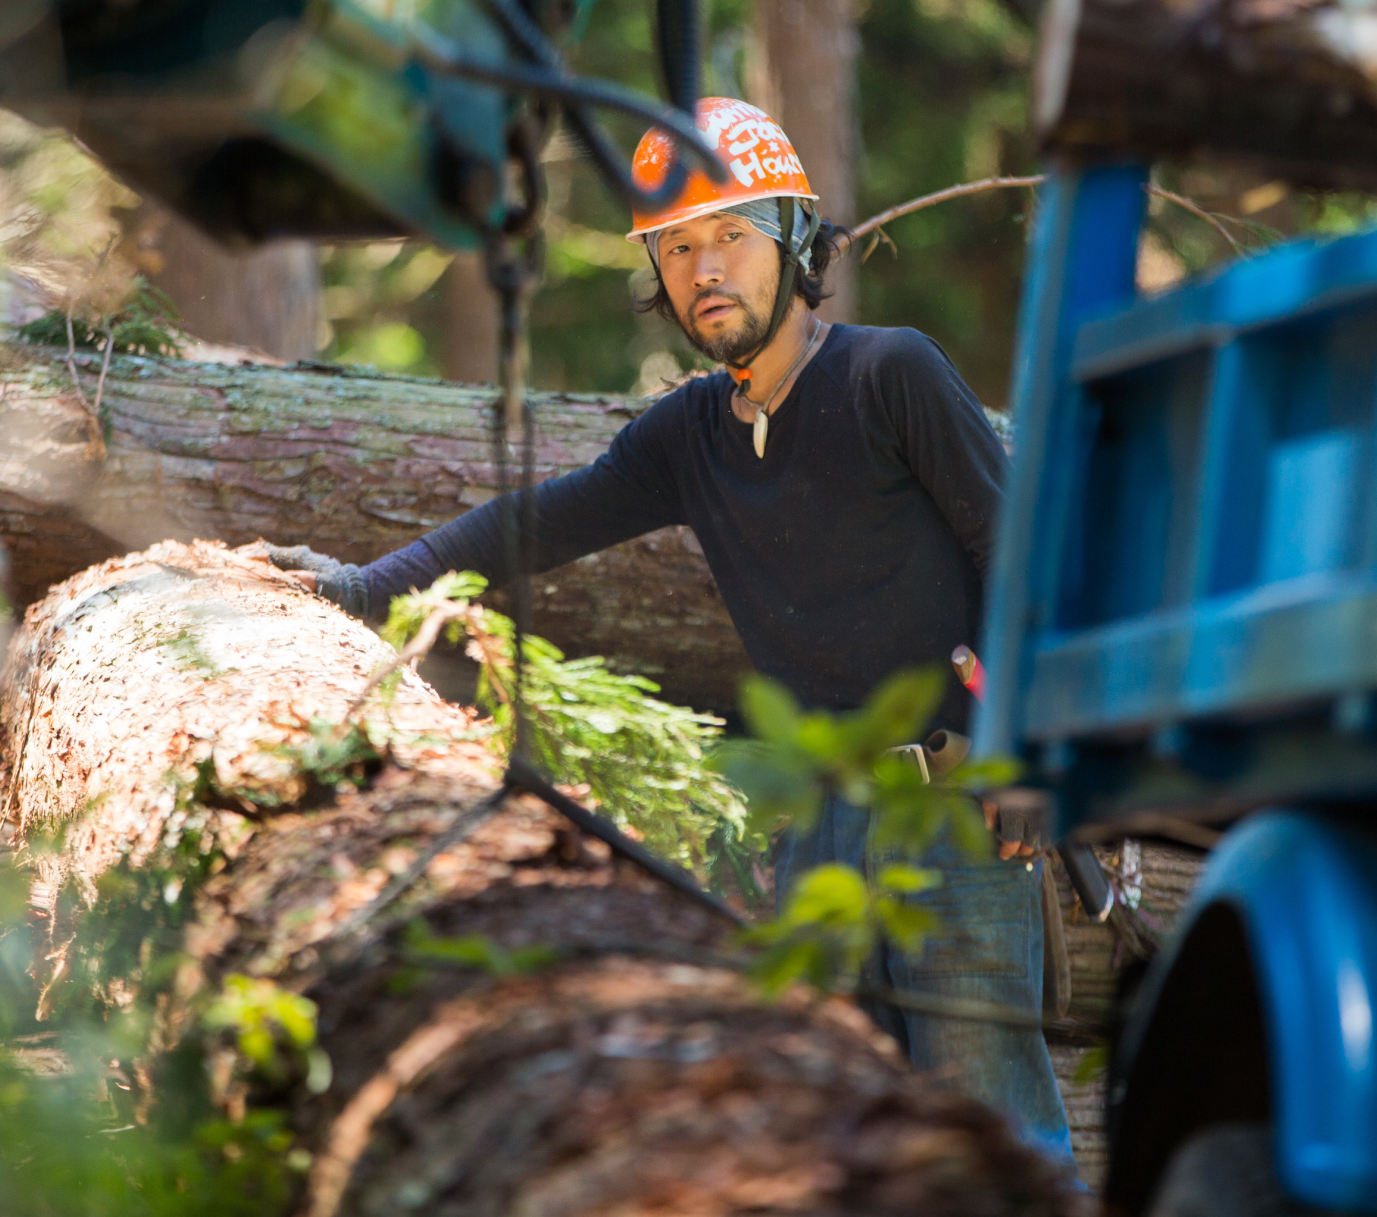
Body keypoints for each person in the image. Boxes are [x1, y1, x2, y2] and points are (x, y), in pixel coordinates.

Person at [280, 96, 1071, 1159]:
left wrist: (1031, 749)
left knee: (1001, 1137)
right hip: (821, 835)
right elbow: (532, 520)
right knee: (853, 1143)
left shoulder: (893, 375)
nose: (706, 269)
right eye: (679, 246)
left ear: (795, 239)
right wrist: (359, 590)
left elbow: (1020, 557)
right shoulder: (686, 435)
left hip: (958, 814)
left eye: (733, 237)